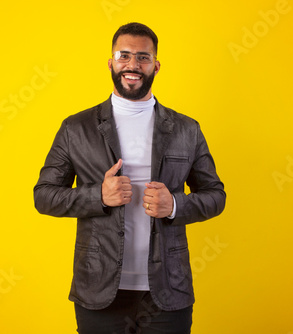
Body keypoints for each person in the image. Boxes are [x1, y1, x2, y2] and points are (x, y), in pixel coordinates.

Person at [34, 22, 226, 334]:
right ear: (111, 62)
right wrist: (97, 196)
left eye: (143, 57)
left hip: (167, 289)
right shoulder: (76, 128)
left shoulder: (186, 129)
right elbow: (43, 195)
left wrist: (175, 205)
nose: (132, 65)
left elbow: (215, 196)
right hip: (99, 289)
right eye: (124, 56)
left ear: (156, 65)